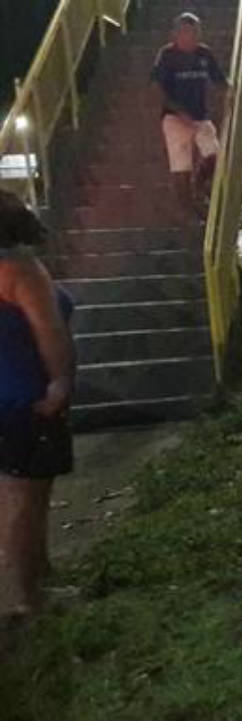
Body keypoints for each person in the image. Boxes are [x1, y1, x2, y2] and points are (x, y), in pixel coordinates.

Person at [0, 191, 75, 623]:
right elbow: (48, 331)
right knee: (28, 500)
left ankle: (34, 578)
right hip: (29, 397)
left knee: (12, 497)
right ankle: (27, 598)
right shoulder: (20, 270)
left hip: (6, 396)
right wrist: (60, 383)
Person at [151, 12, 228, 221]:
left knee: (214, 155)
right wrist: (179, 112)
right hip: (174, 118)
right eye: (185, 32)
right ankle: (189, 212)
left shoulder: (205, 54)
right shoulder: (167, 55)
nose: (190, 37)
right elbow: (159, 89)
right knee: (181, 168)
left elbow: (220, 80)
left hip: (200, 116)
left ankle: (199, 184)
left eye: (194, 32)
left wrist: (230, 94)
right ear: (176, 35)